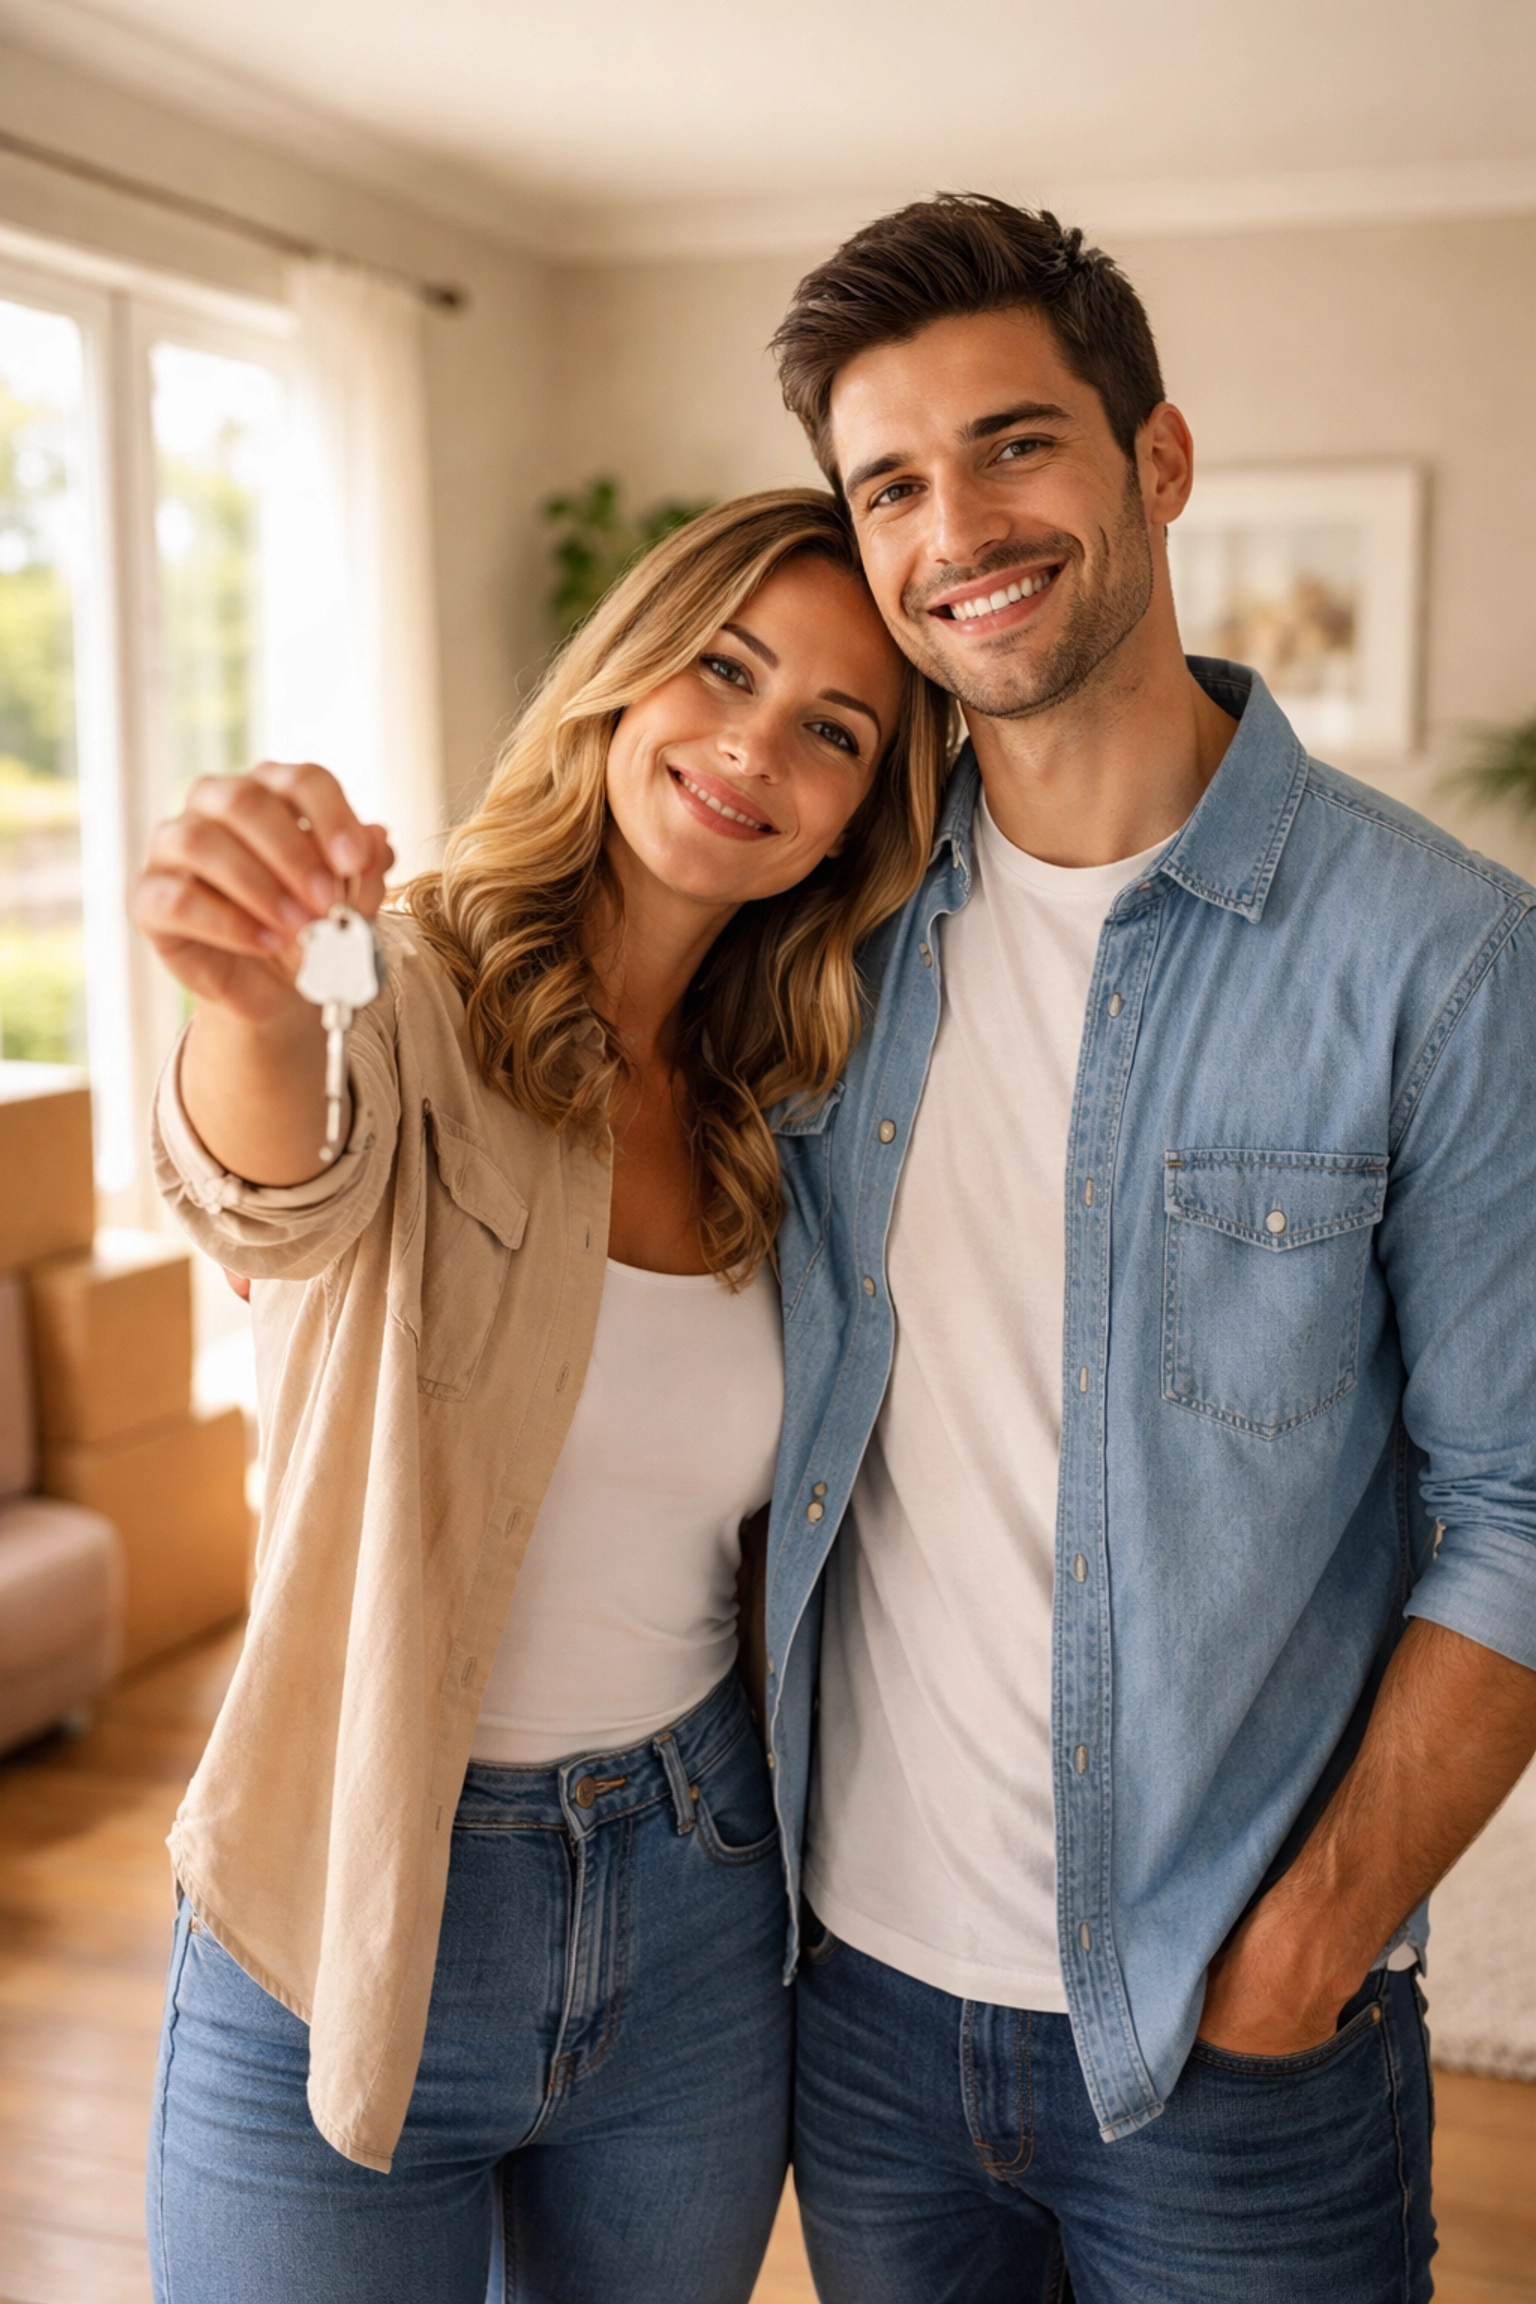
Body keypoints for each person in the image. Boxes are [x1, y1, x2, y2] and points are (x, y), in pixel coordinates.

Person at [754, 196, 1536, 2301]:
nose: (957, 527)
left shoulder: (1442, 962)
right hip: (861, 2013)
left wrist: (1312, 1938)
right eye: (892, 483)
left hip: (1233, 2045)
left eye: (1015, 444)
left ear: (1156, 463)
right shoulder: (823, 939)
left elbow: (1524, 1508)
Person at [129, 486, 950, 2304]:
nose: (755, 748)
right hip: (348, 1881)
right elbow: (285, 1161)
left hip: (695, 1906)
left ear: (855, 825)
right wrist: (253, 1000)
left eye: (833, 732)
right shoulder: (399, 976)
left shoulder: (792, 1103)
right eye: (724, 667)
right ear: (620, 677)